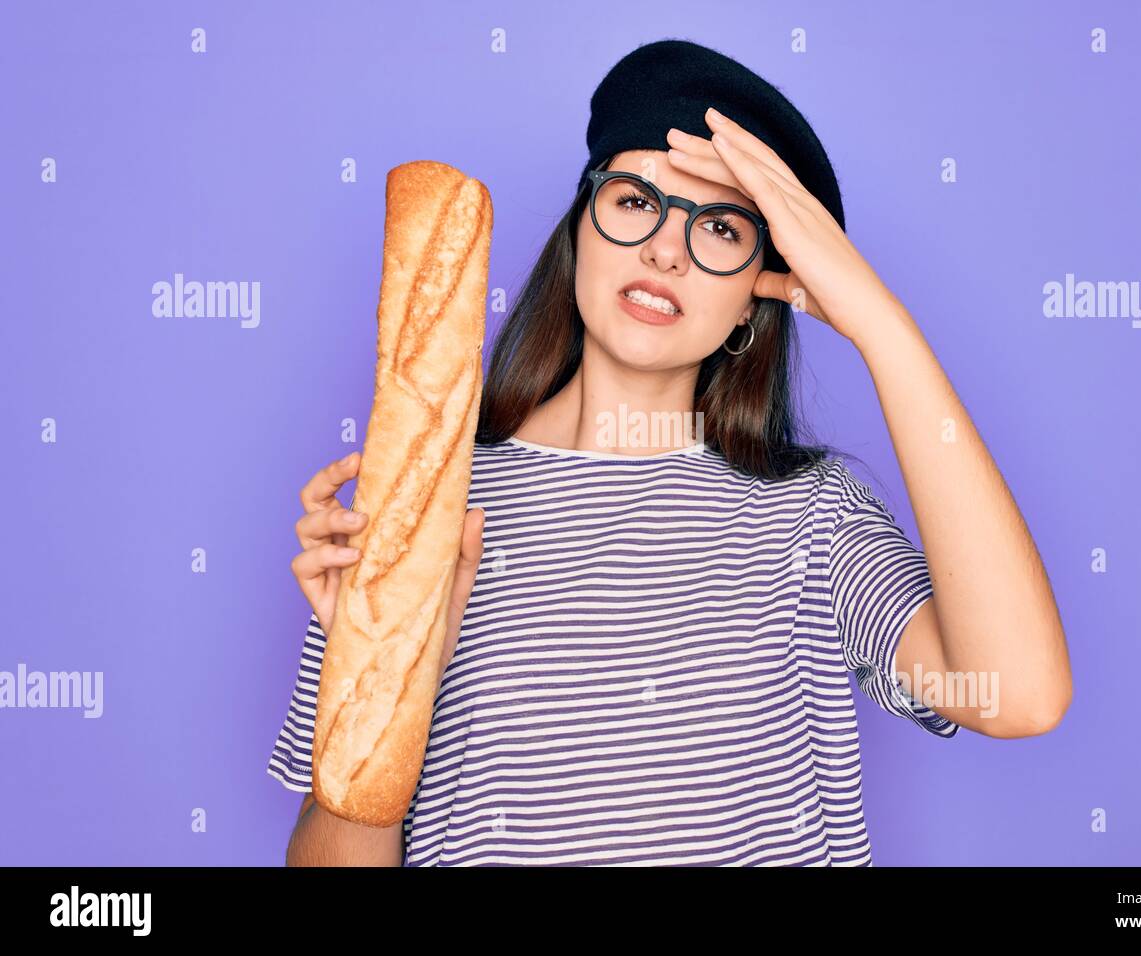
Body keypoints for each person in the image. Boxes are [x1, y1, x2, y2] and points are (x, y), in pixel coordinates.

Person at [268, 38, 1072, 866]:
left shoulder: (810, 516)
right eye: (633, 201)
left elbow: (1019, 695)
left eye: (720, 228)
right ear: (580, 226)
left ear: (757, 297)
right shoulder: (424, 508)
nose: (665, 249)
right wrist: (392, 673)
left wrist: (879, 324)